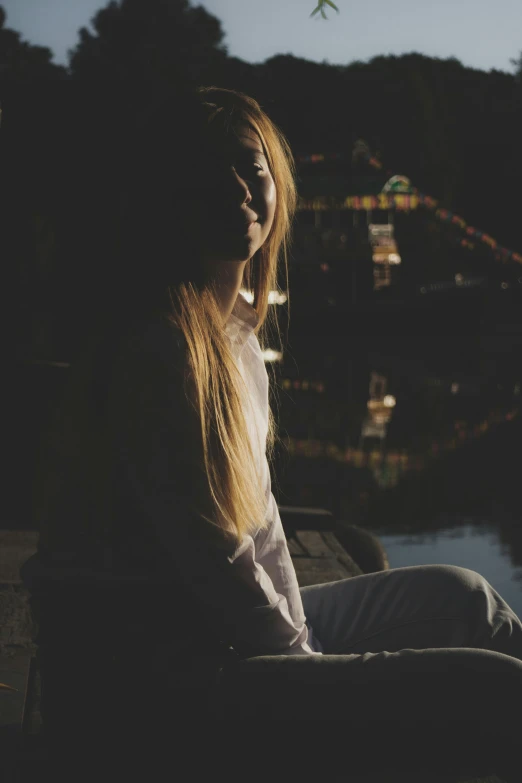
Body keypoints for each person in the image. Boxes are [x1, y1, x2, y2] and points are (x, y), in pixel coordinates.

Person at [21, 86, 522, 782]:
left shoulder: (237, 342)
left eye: (251, 168)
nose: (237, 187)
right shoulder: (159, 352)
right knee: (498, 695)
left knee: (468, 597)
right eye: (209, 169)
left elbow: (261, 535)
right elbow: (216, 561)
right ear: (168, 196)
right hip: (153, 688)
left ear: (277, 190)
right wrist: (314, 676)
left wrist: (304, 637)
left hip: (223, 637)